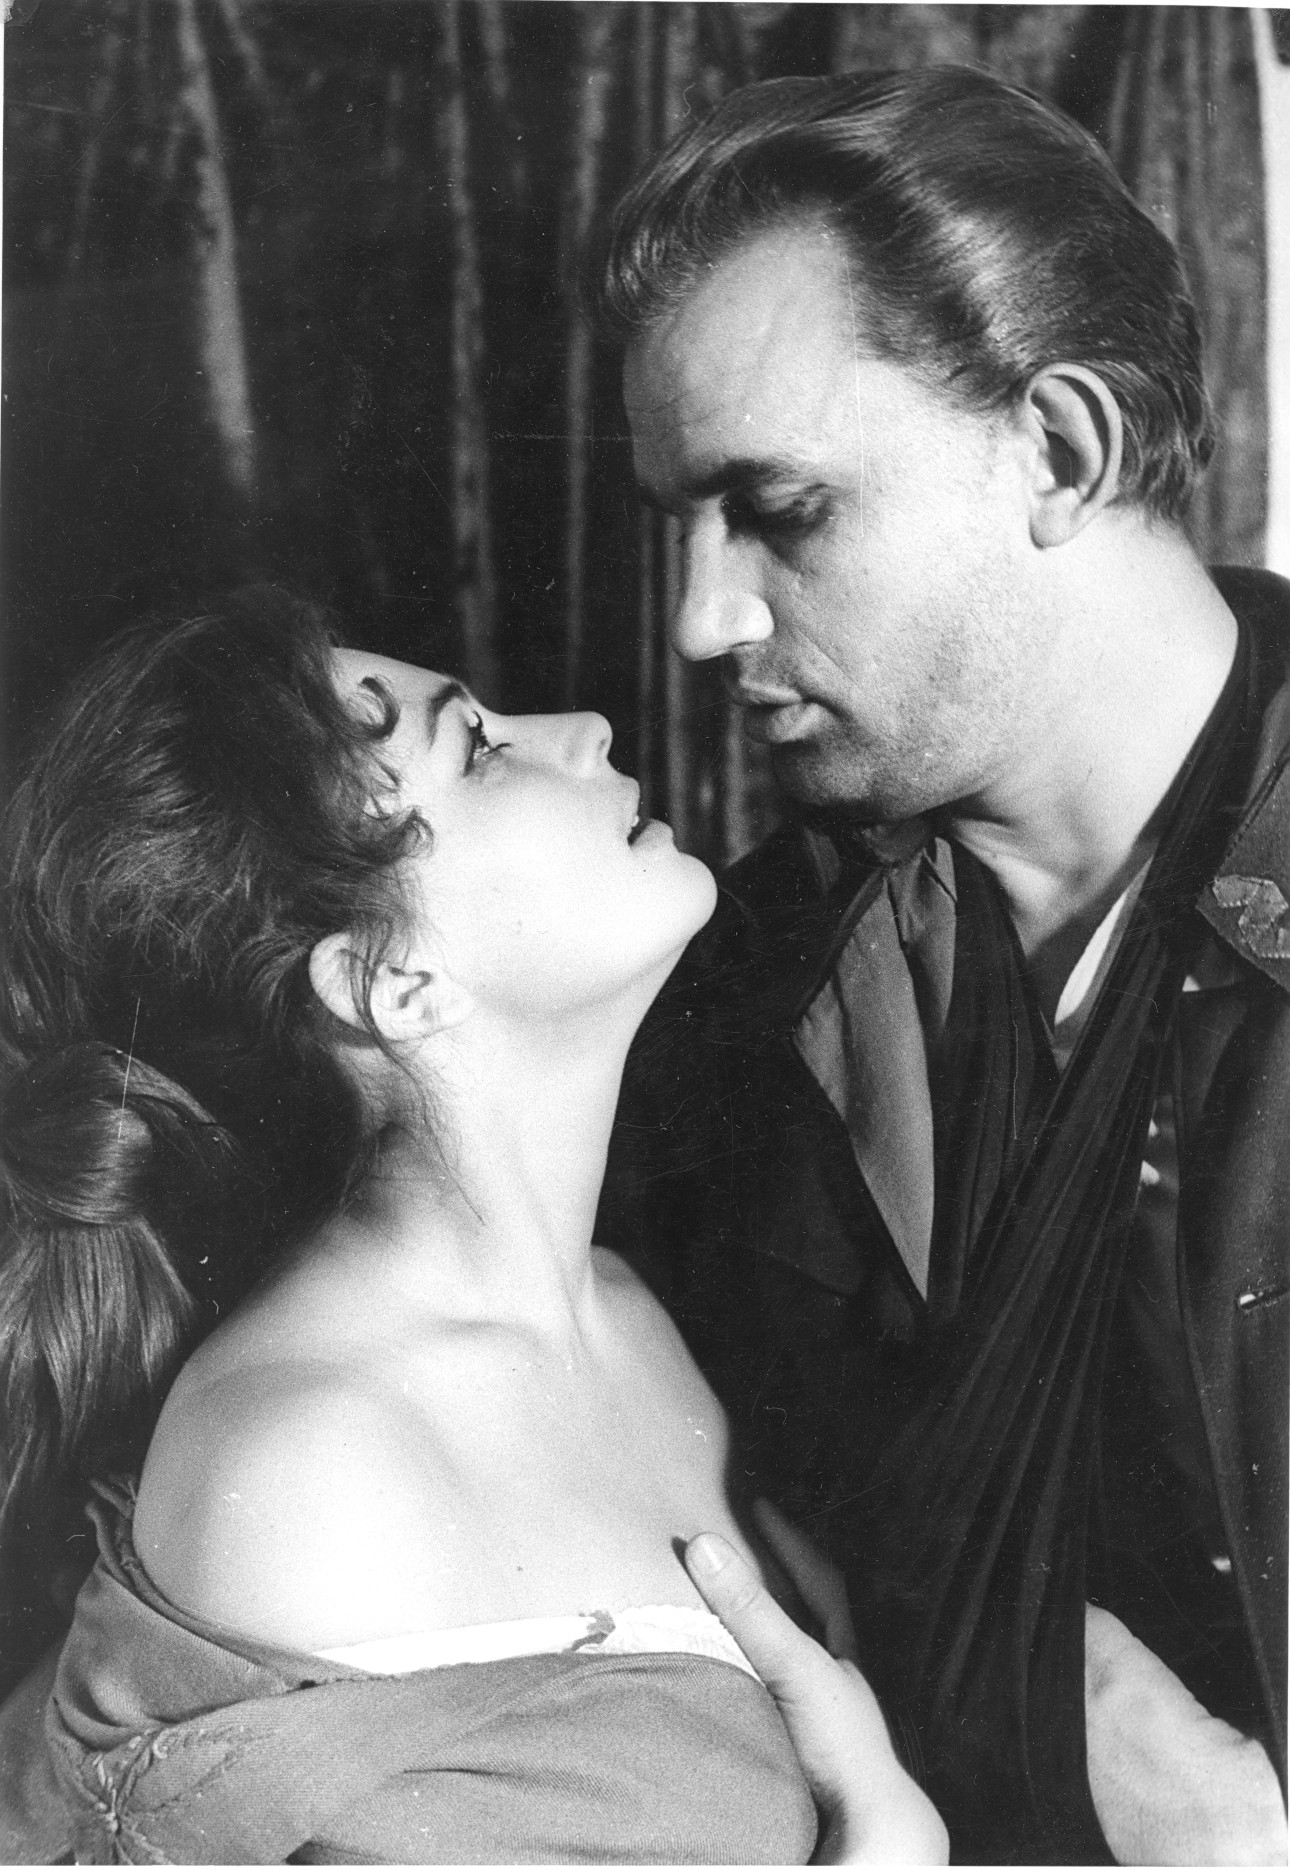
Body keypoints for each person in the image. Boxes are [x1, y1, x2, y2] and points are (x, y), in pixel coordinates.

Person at [594, 66, 1289, 1866]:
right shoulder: (722, 991)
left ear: (1059, 450)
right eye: (681, 523)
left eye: (781, 509)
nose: (702, 620)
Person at [0, 590, 945, 1866]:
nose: (588, 727)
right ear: (391, 982)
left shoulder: (631, 1312)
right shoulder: (313, 1471)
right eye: (483, 747)